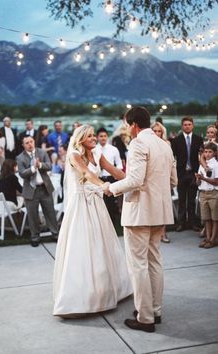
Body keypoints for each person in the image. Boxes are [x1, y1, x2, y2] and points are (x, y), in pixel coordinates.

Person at [104, 106, 177, 333]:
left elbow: (134, 180)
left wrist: (110, 188)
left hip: (139, 213)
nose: (126, 128)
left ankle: (144, 318)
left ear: (134, 124)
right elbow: (173, 180)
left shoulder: (138, 143)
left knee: (138, 266)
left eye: (127, 124)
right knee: (154, 261)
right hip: (160, 212)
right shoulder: (164, 145)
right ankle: (155, 311)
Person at [53, 125, 132, 317]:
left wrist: (133, 181)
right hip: (81, 205)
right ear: (80, 139)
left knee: (103, 247)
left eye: (93, 135)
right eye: (89, 136)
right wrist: (103, 185)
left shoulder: (97, 154)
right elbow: (86, 174)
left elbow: (115, 171)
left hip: (96, 204)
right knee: (83, 248)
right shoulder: (74, 155)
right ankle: (81, 298)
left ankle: (107, 290)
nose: (93, 138)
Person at [16, 136, 59, 247]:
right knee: (33, 215)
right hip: (31, 190)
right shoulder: (20, 158)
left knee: (50, 212)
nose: (30, 144)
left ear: (34, 142)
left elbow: (49, 165)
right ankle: (35, 237)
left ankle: (55, 234)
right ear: (23, 145)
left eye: (31, 141)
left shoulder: (42, 152)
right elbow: (22, 173)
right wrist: (33, 168)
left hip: (44, 188)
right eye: (27, 143)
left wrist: (39, 165)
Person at [171, 116, 203, 232]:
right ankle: (181, 223)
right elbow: (172, 158)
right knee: (181, 199)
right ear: (182, 126)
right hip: (181, 173)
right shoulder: (176, 140)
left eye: (189, 124)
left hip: (194, 173)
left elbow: (202, 157)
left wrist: (199, 172)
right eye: (185, 124)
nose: (187, 126)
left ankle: (192, 223)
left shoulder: (198, 139)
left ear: (192, 125)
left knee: (191, 200)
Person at [95, 127, 123, 224]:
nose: (103, 138)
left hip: (111, 178)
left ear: (107, 137)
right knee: (100, 202)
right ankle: (101, 222)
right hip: (98, 178)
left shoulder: (113, 149)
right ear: (97, 137)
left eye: (105, 136)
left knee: (111, 203)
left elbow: (119, 164)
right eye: (101, 136)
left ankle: (112, 223)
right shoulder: (94, 149)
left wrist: (116, 174)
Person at [151, 121, 171, 243]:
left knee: (163, 207)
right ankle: (154, 233)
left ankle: (163, 233)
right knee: (154, 207)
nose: (157, 133)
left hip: (164, 177)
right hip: (152, 179)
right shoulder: (147, 144)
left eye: (160, 131)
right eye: (155, 131)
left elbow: (171, 162)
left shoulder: (167, 143)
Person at [195, 142, 218, 249]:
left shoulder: (216, 165)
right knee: (206, 218)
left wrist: (204, 178)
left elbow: (216, 181)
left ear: (214, 153)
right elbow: (198, 183)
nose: (207, 154)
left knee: (215, 219)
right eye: (206, 152)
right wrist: (199, 179)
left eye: (210, 152)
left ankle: (213, 239)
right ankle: (208, 238)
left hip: (213, 194)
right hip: (203, 193)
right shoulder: (202, 165)